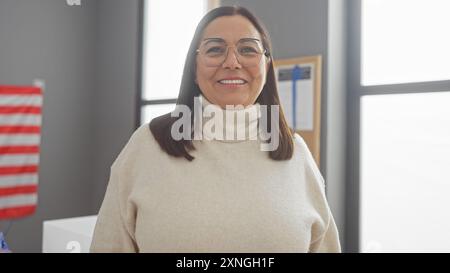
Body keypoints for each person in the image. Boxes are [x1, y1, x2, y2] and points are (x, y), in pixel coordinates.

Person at [90, 6, 341, 253]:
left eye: (247, 49)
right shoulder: (146, 146)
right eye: (215, 49)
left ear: (265, 67)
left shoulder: (296, 152)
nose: (232, 62)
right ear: (195, 69)